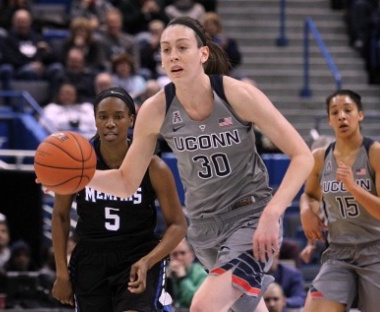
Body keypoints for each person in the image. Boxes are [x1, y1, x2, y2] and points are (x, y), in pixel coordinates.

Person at [86, 16, 314, 311]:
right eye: (166, 50)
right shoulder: (156, 109)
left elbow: (302, 156)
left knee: (203, 306)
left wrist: (273, 213)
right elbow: (127, 181)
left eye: (182, 47)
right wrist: (81, 177)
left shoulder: (235, 94)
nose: (173, 56)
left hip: (251, 219)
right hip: (204, 228)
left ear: (203, 53)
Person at [51, 86, 187, 311]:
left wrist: (148, 261)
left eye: (118, 116)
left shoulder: (153, 166)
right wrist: (61, 274)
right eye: (103, 117)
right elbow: (60, 216)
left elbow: (178, 225)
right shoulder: (76, 163)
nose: (110, 123)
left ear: (131, 120)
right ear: (95, 121)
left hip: (137, 254)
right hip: (91, 258)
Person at [300, 89, 380, 311]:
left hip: (377, 251)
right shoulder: (320, 157)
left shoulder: (377, 153)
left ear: (360, 115)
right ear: (329, 120)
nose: (342, 116)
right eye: (335, 112)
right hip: (339, 251)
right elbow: (309, 195)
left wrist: (354, 188)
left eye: (348, 110)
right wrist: (306, 211)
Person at [167, 238, 208, 309]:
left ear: (192, 256)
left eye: (183, 253)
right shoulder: (166, 274)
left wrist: (182, 278)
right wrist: (167, 279)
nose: (179, 257)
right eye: (174, 254)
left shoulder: (201, 273)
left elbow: (196, 302)